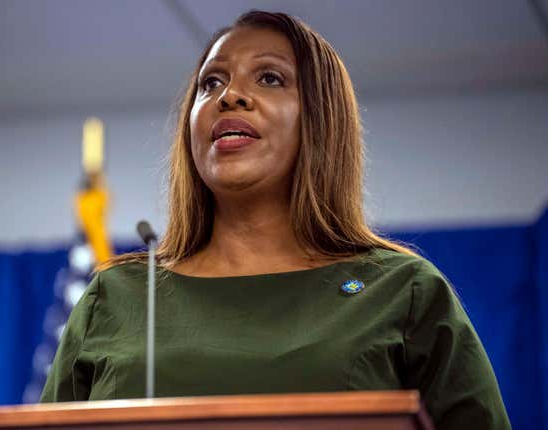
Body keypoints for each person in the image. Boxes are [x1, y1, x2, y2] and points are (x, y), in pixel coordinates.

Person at [40, 10, 511, 429]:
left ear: (320, 120)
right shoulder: (115, 297)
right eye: (211, 82)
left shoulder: (403, 292)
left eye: (269, 78)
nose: (230, 96)